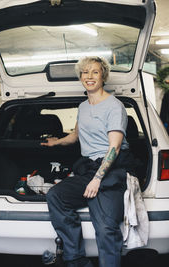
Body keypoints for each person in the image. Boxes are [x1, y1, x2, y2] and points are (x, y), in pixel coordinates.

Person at [42, 56, 134, 267]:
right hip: (88, 168)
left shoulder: (114, 106)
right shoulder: (83, 106)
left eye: (95, 72)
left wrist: (97, 180)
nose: (89, 76)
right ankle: (76, 260)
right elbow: (76, 135)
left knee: (105, 228)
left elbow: (115, 148)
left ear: (103, 76)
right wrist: (55, 143)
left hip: (110, 170)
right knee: (56, 196)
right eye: (85, 72)